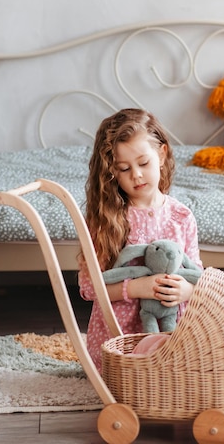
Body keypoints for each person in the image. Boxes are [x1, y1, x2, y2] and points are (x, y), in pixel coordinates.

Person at [78, 108, 202, 372]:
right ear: (112, 172)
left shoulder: (181, 217)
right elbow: (90, 288)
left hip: (171, 340)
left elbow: (198, 278)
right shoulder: (106, 219)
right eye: (124, 169)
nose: (136, 175)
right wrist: (137, 288)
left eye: (143, 163)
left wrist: (186, 291)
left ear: (162, 154)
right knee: (137, 379)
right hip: (118, 343)